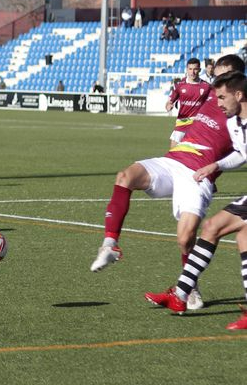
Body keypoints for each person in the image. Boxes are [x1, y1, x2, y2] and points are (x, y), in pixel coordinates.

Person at [90, 54, 246, 310]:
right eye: (215, 75)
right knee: (125, 177)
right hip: (173, 160)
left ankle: (189, 287)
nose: (216, 81)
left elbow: (242, 152)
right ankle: (110, 245)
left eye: (222, 76)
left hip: (197, 174)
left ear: (237, 81)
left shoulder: (237, 111)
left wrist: (215, 167)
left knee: (185, 239)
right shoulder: (212, 93)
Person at [144, 72, 247, 329]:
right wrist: (215, 165)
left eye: (221, 97)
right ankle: (180, 295)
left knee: (231, 233)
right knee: (217, 229)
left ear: (239, 95)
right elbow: (241, 154)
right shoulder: (235, 124)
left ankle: (180, 294)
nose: (217, 103)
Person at [165, 58, 211, 147]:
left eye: (195, 69)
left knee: (195, 152)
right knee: (173, 151)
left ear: (199, 70)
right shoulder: (180, 84)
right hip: (182, 123)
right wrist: (168, 106)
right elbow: (169, 101)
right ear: (187, 69)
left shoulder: (206, 87)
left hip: (197, 124)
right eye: (190, 69)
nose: (192, 72)